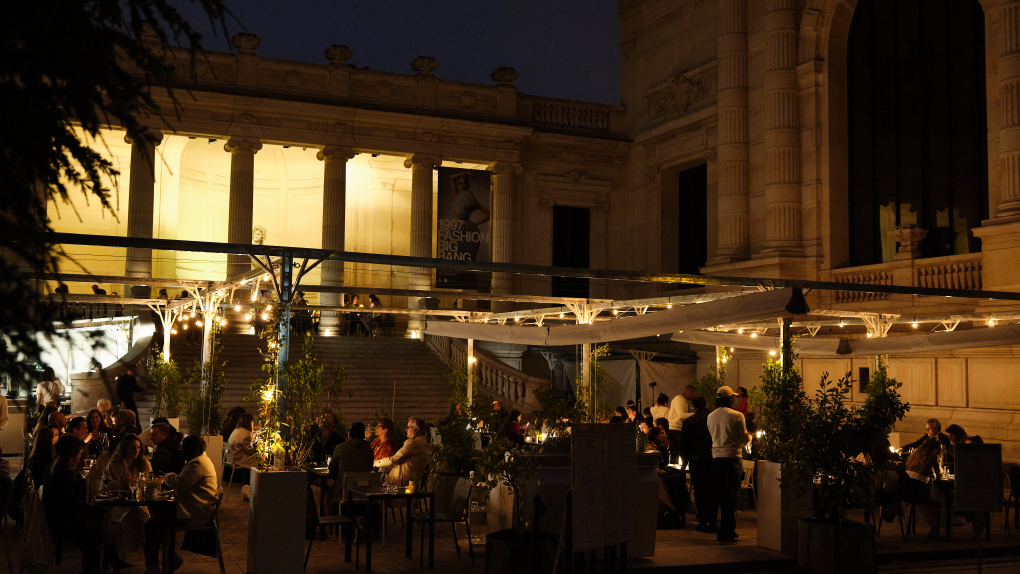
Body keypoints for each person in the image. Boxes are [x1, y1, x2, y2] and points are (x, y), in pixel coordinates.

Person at [143, 435, 218, 574]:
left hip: (194, 514)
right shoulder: (202, 460)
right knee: (157, 518)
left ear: (191, 449)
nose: (180, 451)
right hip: (197, 508)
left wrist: (165, 476)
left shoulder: (197, 464)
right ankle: (170, 558)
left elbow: (179, 483)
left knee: (151, 525)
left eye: (183, 448)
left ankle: (155, 565)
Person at [43, 435, 102, 573]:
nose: (81, 453)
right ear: (74, 452)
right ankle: (93, 568)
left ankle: (91, 566)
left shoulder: (53, 467)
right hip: (61, 520)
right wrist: (90, 507)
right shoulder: (64, 473)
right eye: (79, 450)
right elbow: (68, 502)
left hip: (51, 514)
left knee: (95, 521)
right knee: (96, 527)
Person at [707, 386, 749, 544]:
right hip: (732, 458)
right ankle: (727, 531)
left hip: (716, 458)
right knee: (731, 495)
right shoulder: (737, 416)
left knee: (721, 494)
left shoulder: (710, 416)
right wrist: (750, 438)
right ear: (730, 398)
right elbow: (744, 440)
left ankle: (724, 530)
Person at [681, 396, 716, 531]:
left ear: (693, 407)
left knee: (700, 491)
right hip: (713, 458)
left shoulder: (689, 421)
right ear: (706, 404)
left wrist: (684, 462)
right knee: (713, 490)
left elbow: (683, 443)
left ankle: (703, 520)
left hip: (696, 460)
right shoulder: (713, 419)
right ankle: (712, 521)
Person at [376, 417, 430, 485]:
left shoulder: (412, 443)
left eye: (408, 427)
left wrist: (377, 463)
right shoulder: (424, 442)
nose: (406, 430)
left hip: (401, 482)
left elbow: (394, 459)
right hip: (412, 481)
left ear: (416, 430)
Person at [228, 413, 257, 485]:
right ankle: (253, 484)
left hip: (233, 457)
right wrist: (257, 449)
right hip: (239, 459)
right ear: (249, 422)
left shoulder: (235, 431)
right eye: (252, 421)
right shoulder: (246, 434)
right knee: (259, 458)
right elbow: (249, 451)